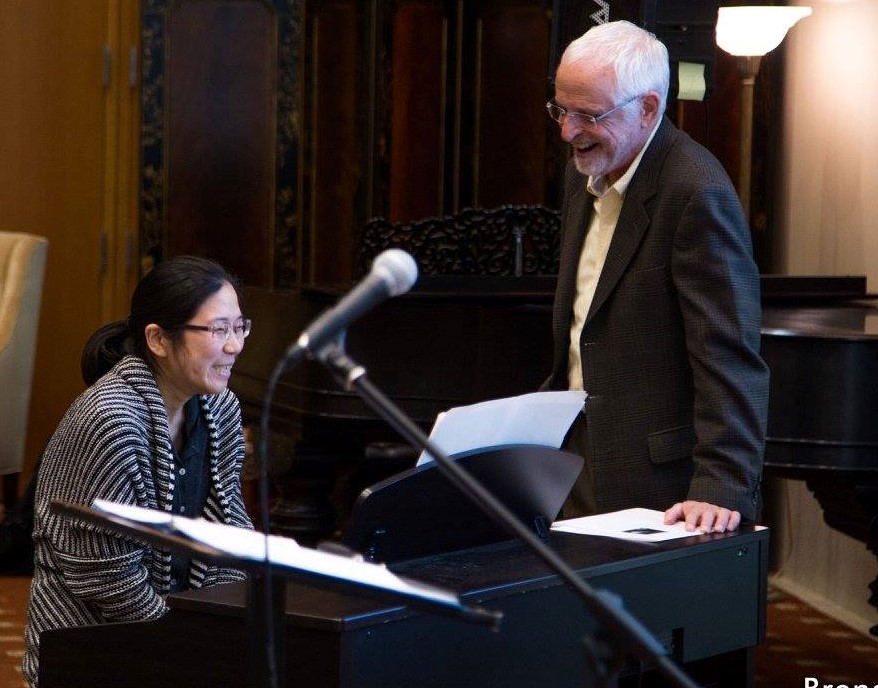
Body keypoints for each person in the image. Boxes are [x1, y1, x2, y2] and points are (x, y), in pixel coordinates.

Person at [543, 21, 769, 534]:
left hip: (656, 476)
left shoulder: (695, 191)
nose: (567, 131)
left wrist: (721, 483)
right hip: (578, 447)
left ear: (647, 108)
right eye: (560, 109)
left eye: (588, 115)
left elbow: (728, 354)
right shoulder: (588, 169)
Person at [22, 255, 254, 686]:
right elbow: (102, 572)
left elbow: (230, 526)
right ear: (158, 339)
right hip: (91, 643)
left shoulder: (220, 408)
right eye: (218, 329)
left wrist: (218, 622)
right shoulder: (110, 418)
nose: (235, 345)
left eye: (239, 326)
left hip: (177, 634)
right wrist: (181, 643)